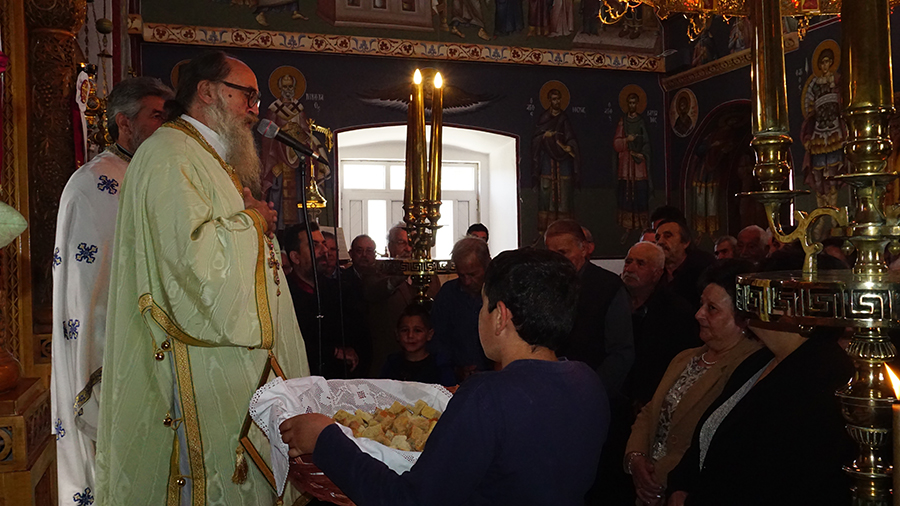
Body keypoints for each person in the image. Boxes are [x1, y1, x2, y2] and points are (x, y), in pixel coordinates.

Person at [94, 51, 310, 505]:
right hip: (199, 356)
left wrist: (248, 217)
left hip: (228, 354)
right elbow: (191, 260)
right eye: (247, 95)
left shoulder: (202, 154)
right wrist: (253, 220)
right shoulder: (170, 154)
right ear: (208, 91)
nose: (255, 109)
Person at [279, 248, 610, 505]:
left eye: (483, 305)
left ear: (500, 317)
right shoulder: (589, 383)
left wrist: (325, 439)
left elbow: (409, 500)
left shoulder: (487, 396)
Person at [51, 76, 172, 506]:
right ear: (124, 122)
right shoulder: (95, 183)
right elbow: (91, 289)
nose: (166, 127)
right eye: (156, 116)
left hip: (155, 346)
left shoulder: (149, 175)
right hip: (113, 353)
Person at [625, 259, 762, 506]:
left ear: (743, 319)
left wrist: (660, 477)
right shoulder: (685, 357)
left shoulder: (748, 369)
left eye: (712, 309)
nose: (699, 315)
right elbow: (650, 411)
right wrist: (636, 457)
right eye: (701, 305)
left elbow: (716, 445)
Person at [666, 326, 853, 506]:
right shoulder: (760, 360)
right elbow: (710, 439)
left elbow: (784, 480)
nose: (747, 307)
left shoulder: (828, 376)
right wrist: (680, 487)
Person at [620, 242, 701, 409]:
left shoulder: (677, 311)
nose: (630, 269)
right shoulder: (613, 302)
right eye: (628, 261)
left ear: (657, 273)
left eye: (640, 264)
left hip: (653, 398)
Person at [283, 222, 361, 378]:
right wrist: (333, 351)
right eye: (315, 245)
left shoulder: (338, 290)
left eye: (324, 244)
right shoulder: (284, 295)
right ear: (295, 257)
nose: (324, 250)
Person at [364, 224, 440, 376]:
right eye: (401, 243)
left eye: (412, 244)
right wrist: (398, 276)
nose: (408, 248)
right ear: (390, 246)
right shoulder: (376, 272)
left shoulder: (429, 275)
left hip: (425, 362)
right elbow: (373, 292)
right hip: (389, 361)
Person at [431, 236, 492, 382]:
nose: (467, 281)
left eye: (472, 274)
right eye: (461, 275)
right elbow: (438, 339)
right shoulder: (448, 294)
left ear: (487, 265)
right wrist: (455, 369)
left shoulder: (502, 292)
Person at [532, 87, 579, 234]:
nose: (557, 102)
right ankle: (545, 231)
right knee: (546, 192)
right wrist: (544, 136)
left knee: (564, 192)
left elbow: (571, 137)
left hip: (563, 161)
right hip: (547, 160)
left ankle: (566, 231)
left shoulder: (564, 118)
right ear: (549, 101)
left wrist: (569, 146)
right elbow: (536, 139)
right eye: (554, 99)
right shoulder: (544, 118)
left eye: (558, 99)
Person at [381, 304, 456, 387]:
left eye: (417, 331)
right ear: (397, 334)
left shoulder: (440, 367)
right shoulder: (392, 364)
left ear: (429, 334)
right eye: (405, 330)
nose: (410, 335)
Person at [655, 219, 715, 309]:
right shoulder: (654, 271)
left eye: (667, 236)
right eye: (657, 238)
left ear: (685, 242)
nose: (660, 242)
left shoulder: (704, 269)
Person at [615, 92, 652, 234]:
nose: (632, 105)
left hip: (639, 164)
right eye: (629, 103)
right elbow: (616, 142)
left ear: (637, 104)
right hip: (625, 163)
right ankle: (627, 227)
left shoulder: (641, 121)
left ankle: (643, 226)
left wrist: (642, 154)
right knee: (626, 193)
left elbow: (646, 142)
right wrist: (626, 140)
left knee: (640, 192)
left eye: (634, 103)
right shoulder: (623, 121)